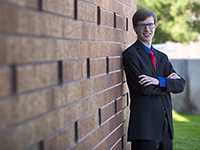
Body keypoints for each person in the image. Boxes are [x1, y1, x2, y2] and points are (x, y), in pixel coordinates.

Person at [123, 9, 186, 150]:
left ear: (155, 26)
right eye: (142, 25)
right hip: (145, 128)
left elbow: (181, 84)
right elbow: (144, 88)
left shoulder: (162, 57)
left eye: (150, 25)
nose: (147, 29)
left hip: (166, 127)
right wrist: (168, 83)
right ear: (135, 28)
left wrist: (159, 81)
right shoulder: (130, 55)